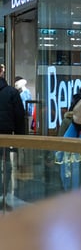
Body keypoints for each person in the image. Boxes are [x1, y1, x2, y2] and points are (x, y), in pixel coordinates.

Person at [0, 75, 27, 210]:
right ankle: (3, 196)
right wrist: (20, 139)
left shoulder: (12, 92)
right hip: (6, 136)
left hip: (6, 135)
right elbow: (19, 117)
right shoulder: (12, 92)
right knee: (6, 166)